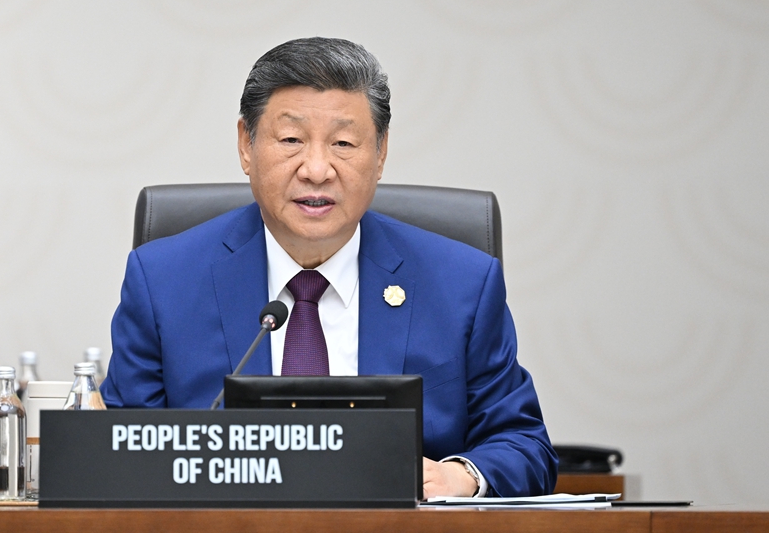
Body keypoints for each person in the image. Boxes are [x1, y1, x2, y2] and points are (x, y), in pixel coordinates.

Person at [101, 37, 557, 498]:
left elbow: (524, 445)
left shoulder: (462, 284)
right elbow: (117, 450)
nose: (317, 170)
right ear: (246, 145)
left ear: (380, 153)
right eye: (291, 140)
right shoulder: (163, 281)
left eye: (343, 143)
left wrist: (461, 476)